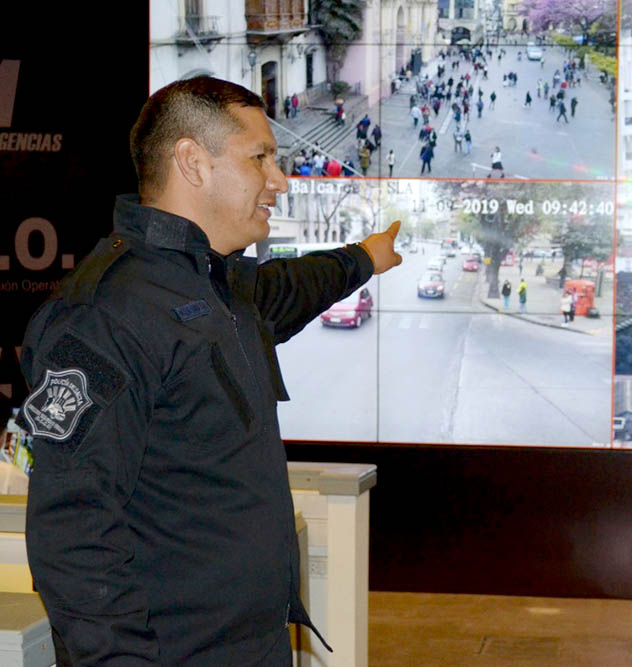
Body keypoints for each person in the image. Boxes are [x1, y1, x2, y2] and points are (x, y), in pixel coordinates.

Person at [16, 76, 403, 665]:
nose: (279, 180)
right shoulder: (103, 318)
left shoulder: (218, 285)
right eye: (260, 158)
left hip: (256, 645)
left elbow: (291, 289)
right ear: (192, 162)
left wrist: (364, 259)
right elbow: (73, 530)